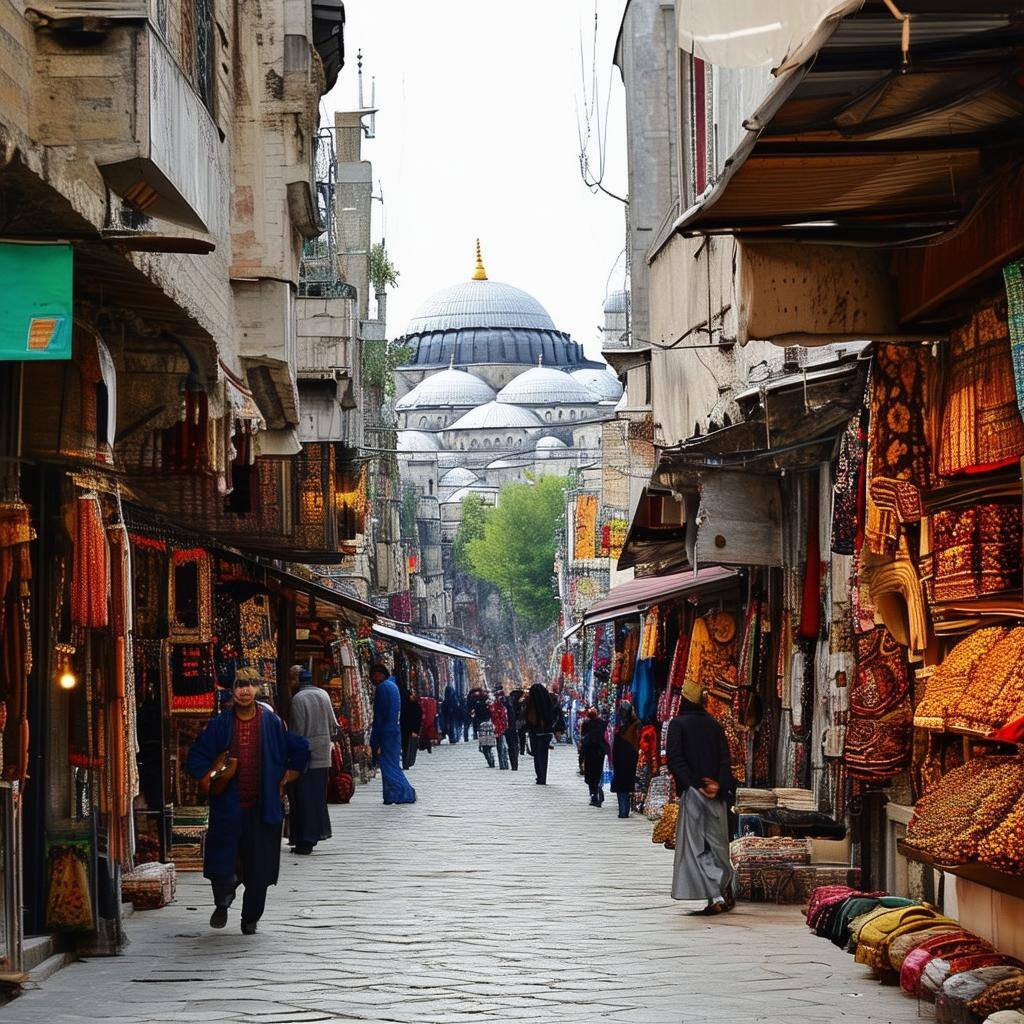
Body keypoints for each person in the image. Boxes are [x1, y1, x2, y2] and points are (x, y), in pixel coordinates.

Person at [185, 671, 309, 934]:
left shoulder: (272, 723)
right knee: (222, 863)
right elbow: (197, 756)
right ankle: (223, 900)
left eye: (250, 685)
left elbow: (298, 747)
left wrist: (290, 773)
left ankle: (250, 917)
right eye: (240, 685)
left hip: (262, 808)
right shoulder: (220, 724)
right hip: (227, 808)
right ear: (233, 690)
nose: (245, 691)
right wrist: (208, 775)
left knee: (259, 868)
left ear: (257, 689)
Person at [665, 681, 736, 916]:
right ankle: (720, 890)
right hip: (716, 795)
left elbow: (675, 759)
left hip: (694, 795)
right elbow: (726, 760)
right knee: (717, 847)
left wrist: (695, 784)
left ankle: (715, 895)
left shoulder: (678, 725)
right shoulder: (714, 726)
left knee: (696, 847)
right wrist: (717, 785)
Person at [287, 667, 338, 855]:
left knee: (303, 798)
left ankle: (305, 840)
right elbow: (334, 725)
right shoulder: (323, 694)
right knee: (316, 798)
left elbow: (297, 732)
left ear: (295, 680)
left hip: (306, 756)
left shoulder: (298, 699)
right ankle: (312, 835)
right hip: (323, 754)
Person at [369, 664, 417, 805]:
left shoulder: (383, 688)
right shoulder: (392, 686)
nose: (372, 679)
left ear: (379, 674)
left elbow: (380, 716)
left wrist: (375, 740)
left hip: (386, 733)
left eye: (373, 675)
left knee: (388, 765)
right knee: (391, 764)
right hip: (394, 731)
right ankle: (391, 795)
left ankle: (407, 793)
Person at [610, 700, 641, 818]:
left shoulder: (634, 726)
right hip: (625, 758)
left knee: (623, 786)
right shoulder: (626, 727)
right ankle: (623, 810)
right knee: (623, 786)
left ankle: (623, 811)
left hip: (627, 758)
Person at [524, 682, 556, 784]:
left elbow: (528, 718)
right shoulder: (548, 700)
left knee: (537, 755)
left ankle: (540, 776)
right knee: (543, 756)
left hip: (535, 732)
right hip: (546, 732)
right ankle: (543, 776)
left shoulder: (532, 702)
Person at [578, 708, 610, 806]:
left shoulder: (586, 724)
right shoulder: (603, 724)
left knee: (591, 776)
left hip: (590, 753)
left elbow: (583, 740)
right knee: (598, 775)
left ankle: (594, 795)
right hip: (599, 753)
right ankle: (597, 794)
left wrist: (581, 759)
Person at [400, 688, 423, 771]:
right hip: (407, 730)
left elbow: (418, 718)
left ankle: (407, 762)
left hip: (409, 730)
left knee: (408, 747)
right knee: (406, 747)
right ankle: (406, 763)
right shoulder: (409, 705)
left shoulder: (413, 705)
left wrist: (415, 731)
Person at [491, 690, 510, 770]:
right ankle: (503, 764)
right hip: (499, 728)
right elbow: (494, 717)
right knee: (501, 746)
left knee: (504, 747)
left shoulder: (505, 705)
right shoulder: (495, 706)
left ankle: (505, 763)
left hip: (504, 727)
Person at [476, 698, 496, 767]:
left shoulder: (478, 705)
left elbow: (475, 716)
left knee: (485, 747)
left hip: (482, 726)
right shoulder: (489, 706)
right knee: (488, 746)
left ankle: (490, 761)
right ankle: (491, 760)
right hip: (489, 726)